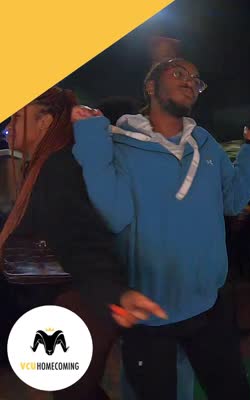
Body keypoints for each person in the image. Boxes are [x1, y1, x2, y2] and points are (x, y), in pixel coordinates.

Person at [72, 57, 250, 399]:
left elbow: (232, 200)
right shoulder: (120, 145)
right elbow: (113, 215)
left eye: (196, 79)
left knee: (234, 392)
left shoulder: (204, 143)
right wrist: (90, 137)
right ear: (150, 86)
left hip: (208, 304)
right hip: (148, 312)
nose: (191, 81)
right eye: (179, 73)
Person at [0, 87, 165, 399]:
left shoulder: (59, 166)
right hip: (68, 301)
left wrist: (115, 292)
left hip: (78, 302)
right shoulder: (43, 166)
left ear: (44, 122)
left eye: (18, 117)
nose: (9, 125)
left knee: (75, 393)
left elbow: (80, 238)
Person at [97, 95, 195, 400]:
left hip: (144, 281)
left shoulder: (117, 164)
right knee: (168, 356)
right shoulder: (160, 158)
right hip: (165, 279)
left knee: (147, 358)